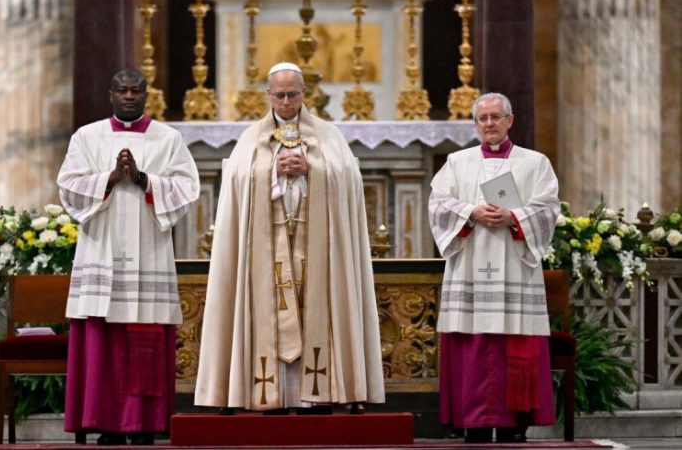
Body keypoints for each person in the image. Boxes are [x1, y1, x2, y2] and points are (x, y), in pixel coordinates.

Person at [194, 62, 384, 414]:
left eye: (292, 94)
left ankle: (320, 396)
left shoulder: (328, 135)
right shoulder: (251, 137)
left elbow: (349, 178)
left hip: (317, 245)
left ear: (303, 93)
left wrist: (313, 170)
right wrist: (271, 171)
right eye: (279, 95)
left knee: (316, 307)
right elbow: (236, 180)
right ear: (268, 94)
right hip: (267, 246)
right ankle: (272, 398)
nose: (285, 102)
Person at [57, 69, 200, 445]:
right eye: (122, 90)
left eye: (136, 90)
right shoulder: (87, 136)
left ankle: (145, 425)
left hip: (148, 251)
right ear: (111, 95)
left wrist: (142, 179)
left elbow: (188, 187)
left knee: (145, 334)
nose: (129, 96)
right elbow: (68, 185)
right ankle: (105, 424)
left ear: (146, 95)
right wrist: (109, 179)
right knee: (102, 336)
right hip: (101, 249)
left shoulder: (168, 138)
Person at [428, 93, 560, 443]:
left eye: (496, 117)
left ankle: (515, 424)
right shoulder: (457, 162)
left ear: (509, 120)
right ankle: (473, 422)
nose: (489, 123)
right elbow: (438, 205)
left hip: (515, 266)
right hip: (470, 264)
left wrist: (514, 217)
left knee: (513, 342)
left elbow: (549, 209)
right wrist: (471, 212)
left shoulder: (535, 163)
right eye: (483, 118)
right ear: (475, 124)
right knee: (471, 345)